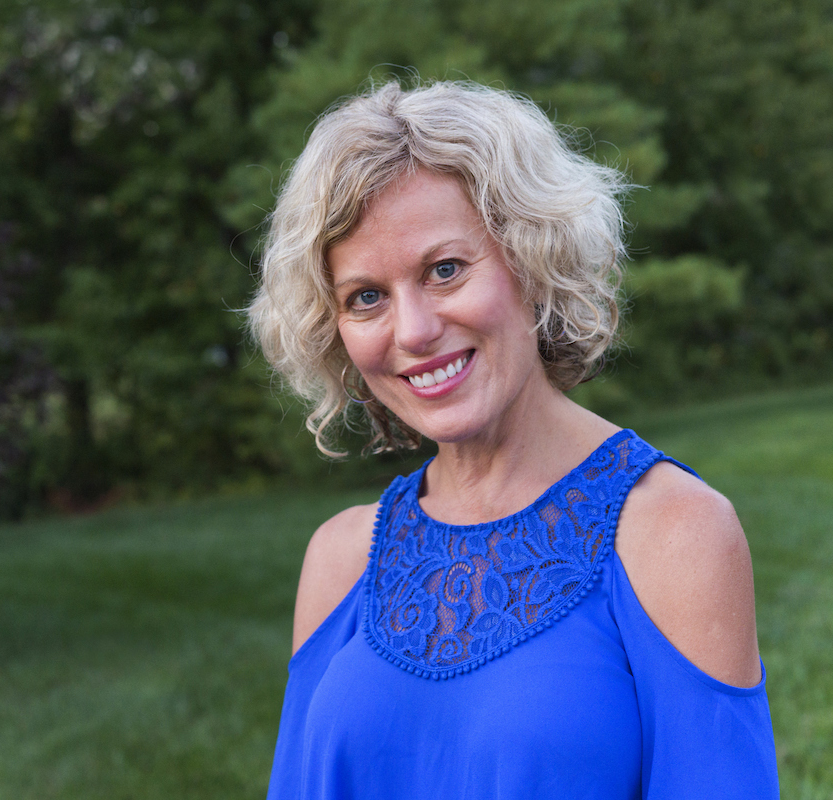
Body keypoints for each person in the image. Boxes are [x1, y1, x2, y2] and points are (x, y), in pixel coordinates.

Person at [247, 80, 779, 799]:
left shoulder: (674, 535)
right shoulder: (340, 561)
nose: (413, 331)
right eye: (365, 296)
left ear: (532, 260)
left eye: (444, 270)